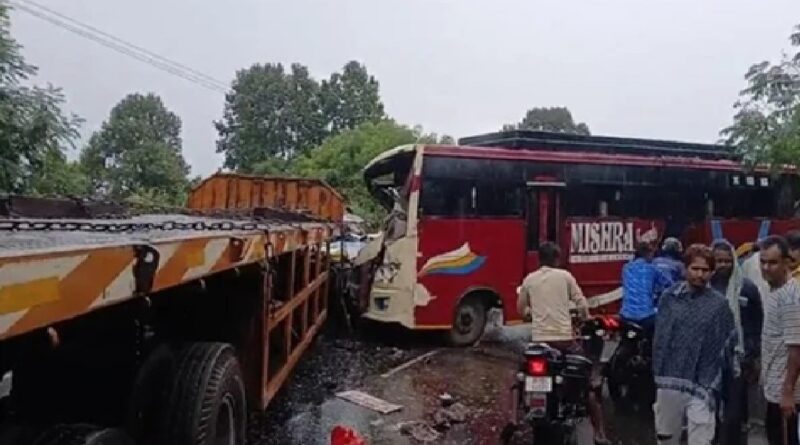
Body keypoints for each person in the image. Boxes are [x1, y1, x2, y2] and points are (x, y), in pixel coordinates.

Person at [516, 241, 610, 445]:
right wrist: (584, 317)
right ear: (557, 259)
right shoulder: (565, 277)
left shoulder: (529, 280)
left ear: (539, 259)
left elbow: (521, 310)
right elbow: (582, 304)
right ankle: (599, 432)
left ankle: (515, 419)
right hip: (563, 342)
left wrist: (530, 314)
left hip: (539, 343)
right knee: (587, 380)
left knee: (520, 378)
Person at [652, 244, 738, 445]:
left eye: (705, 270)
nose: (700, 274)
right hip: (670, 377)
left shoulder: (718, 305)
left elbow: (727, 340)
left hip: (704, 382)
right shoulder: (669, 298)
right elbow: (661, 338)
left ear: (711, 272)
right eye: (695, 269)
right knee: (667, 437)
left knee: (701, 439)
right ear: (685, 269)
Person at [711, 240, 763, 445]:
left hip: (738, 360)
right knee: (710, 408)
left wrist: (752, 354)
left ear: (734, 261)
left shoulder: (746, 288)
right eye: (718, 261)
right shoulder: (706, 286)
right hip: (710, 359)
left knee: (734, 412)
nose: (722, 265)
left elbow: (756, 321)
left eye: (726, 261)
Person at [758, 235, 800, 445]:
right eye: (763, 262)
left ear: (787, 262)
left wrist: (787, 392)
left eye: (773, 262)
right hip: (774, 388)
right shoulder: (774, 291)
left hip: (786, 395)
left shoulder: (791, 297)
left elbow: (796, 348)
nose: (766, 268)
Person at [620, 241, 671, 338]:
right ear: (648, 253)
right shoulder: (652, 269)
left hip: (625, 315)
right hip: (646, 316)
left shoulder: (626, 267)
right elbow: (668, 284)